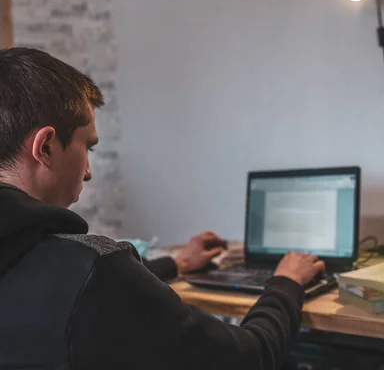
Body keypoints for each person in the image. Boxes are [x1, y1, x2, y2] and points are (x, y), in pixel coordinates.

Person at [0, 47, 326, 369]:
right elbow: (250, 357)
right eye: (88, 147)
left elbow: (64, 292)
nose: (88, 171)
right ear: (45, 146)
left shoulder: (43, 261)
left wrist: (178, 263)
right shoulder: (95, 268)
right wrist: (287, 282)